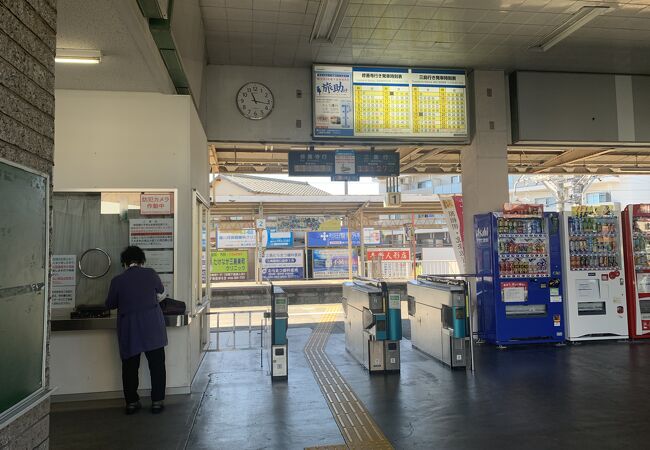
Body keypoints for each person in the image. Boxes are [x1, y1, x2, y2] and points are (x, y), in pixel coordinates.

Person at [106, 245, 168, 415]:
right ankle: (157, 401)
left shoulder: (117, 281)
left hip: (129, 328)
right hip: (152, 327)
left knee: (130, 366)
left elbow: (110, 304)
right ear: (142, 261)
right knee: (156, 365)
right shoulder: (151, 274)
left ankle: (132, 402)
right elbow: (161, 292)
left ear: (124, 263)